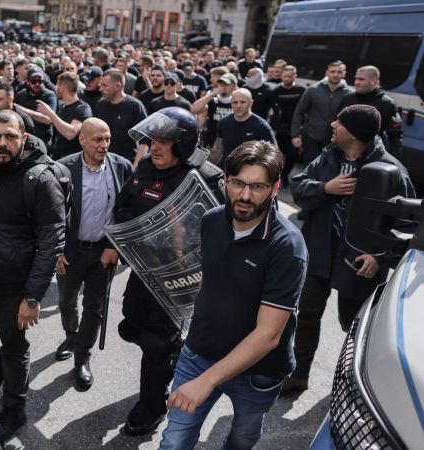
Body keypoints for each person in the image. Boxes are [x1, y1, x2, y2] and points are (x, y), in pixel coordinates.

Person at [159, 141, 308, 449]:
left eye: (257, 186)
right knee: (174, 443)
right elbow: (209, 278)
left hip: (259, 372)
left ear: (276, 186)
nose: (244, 195)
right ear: (225, 179)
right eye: (237, 182)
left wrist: (208, 380)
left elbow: (268, 335)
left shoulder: (288, 247)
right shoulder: (212, 220)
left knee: (242, 438)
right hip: (199, 354)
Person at [282, 105, 415, 395]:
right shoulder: (328, 157)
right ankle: (299, 374)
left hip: (358, 265)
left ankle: (353, 386)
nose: (332, 125)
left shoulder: (390, 170)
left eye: (339, 122)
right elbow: (298, 187)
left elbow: (406, 225)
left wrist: (380, 258)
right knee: (306, 315)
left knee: (354, 328)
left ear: (354, 133)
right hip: (319, 253)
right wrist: (325, 188)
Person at [112, 107, 210, 436]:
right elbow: (124, 205)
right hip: (143, 271)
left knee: (156, 344)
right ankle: (169, 353)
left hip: (178, 277)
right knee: (131, 323)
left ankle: (151, 406)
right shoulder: (143, 170)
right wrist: (117, 240)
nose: (155, 147)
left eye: (164, 141)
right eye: (153, 140)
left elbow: (218, 232)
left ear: (182, 145)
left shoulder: (202, 178)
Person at [0, 110, 65, 444]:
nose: (3, 143)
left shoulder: (40, 179)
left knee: (14, 349)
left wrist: (33, 297)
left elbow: (51, 242)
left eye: (10, 136)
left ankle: (14, 409)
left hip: (16, 286)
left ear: (23, 138)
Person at [54, 118, 132, 391]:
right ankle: (70, 335)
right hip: (70, 252)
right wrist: (55, 250)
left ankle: (82, 357)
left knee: (94, 308)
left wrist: (114, 246)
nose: (104, 145)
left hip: (103, 252)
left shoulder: (122, 166)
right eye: (97, 139)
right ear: (82, 140)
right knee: (66, 301)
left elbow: (126, 210)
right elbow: (51, 214)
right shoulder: (63, 167)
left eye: (107, 138)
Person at [291, 60, 353, 162]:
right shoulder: (313, 90)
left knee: (328, 172)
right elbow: (299, 112)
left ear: (344, 73)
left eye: (339, 72)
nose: (335, 75)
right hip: (311, 137)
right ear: (327, 72)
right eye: (333, 71)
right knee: (310, 168)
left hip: (336, 141)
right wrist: (295, 135)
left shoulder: (350, 94)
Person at [337, 65, 403, 154]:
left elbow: (395, 136)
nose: (356, 82)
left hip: (370, 155)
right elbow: (336, 125)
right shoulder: (347, 99)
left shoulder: (387, 104)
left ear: (373, 81)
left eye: (361, 79)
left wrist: (392, 160)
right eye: (356, 79)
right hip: (343, 153)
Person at [29, 72, 92, 160]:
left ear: (62, 88)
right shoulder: (62, 106)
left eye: (57, 85)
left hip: (73, 161)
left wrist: (50, 113)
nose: (55, 88)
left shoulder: (83, 108)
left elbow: (71, 133)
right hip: (58, 158)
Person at [93, 69, 147, 161]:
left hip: (128, 163)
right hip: (103, 163)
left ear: (118, 86)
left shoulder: (135, 106)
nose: (100, 89)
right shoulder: (100, 104)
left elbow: (144, 142)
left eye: (104, 85)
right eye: (100, 85)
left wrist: (136, 169)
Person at [216, 88, 276, 166]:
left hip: (250, 172)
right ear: (231, 103)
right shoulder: (224, 122)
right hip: (226, 169)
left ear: (251, 103)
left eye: (242, 102)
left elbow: (273, 153)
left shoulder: (261, 126)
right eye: (235, 102)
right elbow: (217, 149)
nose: (238, 106)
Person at [191, 72, 237, 165]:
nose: (223, 86)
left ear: (234, 86)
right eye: (221, 83)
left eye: (226, 84)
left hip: (231, 143)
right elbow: (194, 109)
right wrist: (212, 94)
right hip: (212, 142)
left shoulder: (237, 101)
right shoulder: (213, 100)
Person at [271, 65, 306, 186]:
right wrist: (274, 128)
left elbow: (304, 111)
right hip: (279, 128)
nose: (286, 79)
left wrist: (301, 130)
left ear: (294, 76)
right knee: (275, 154)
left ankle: (284, 175)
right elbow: (273, 111)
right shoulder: (276, 91)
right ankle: (274, 176)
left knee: (293, 155)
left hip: (295, 129)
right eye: (284, 76)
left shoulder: (301, 90)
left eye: (289, 76)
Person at [14, 68, 58, 145]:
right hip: (25, 139)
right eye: (34, 81)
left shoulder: (49, 95)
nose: (37, 84)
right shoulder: (21, 95)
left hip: (43, 140)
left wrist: (22, 109)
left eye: (40, 81)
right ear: (27, 82)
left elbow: (48, 119)